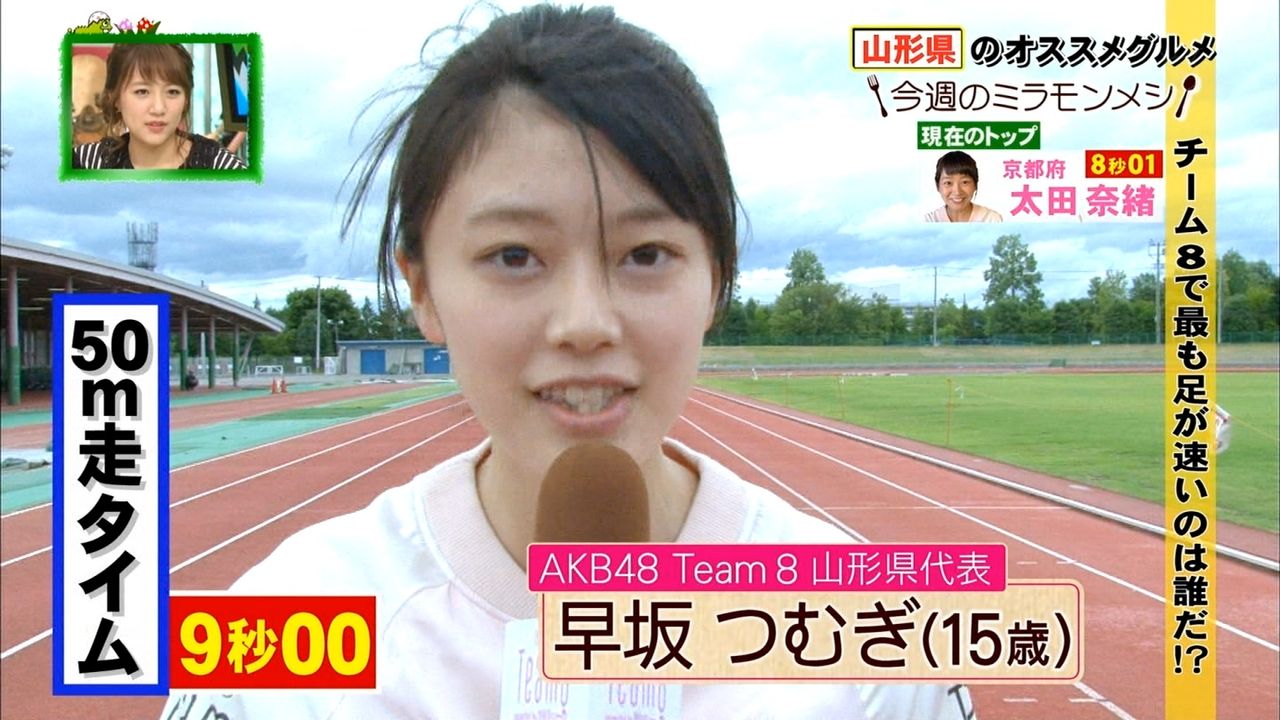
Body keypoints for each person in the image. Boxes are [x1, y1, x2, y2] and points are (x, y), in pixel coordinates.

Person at [161, 6, 974, 718]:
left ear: (717, 280)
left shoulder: (876, 633)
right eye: (514, 256)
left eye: (646, 254)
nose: (586, 324)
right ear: (424, 288)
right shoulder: (287, 620)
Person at [71, 44, 247, 170]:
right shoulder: (86, 162)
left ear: (186, 100)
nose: (158, 108)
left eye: (172, 92)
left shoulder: (220, 166)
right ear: (115, 99)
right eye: (142, 91)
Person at [924, 150, 1002, 223]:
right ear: (937, 186)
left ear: (975, 184)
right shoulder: (929, 221)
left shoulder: (991, 219)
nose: (957, 192)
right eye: (948, 183)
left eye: (964, 182)